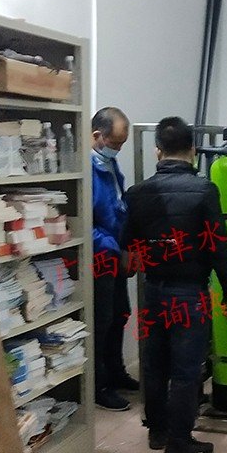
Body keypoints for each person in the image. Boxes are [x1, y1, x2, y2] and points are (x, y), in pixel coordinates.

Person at [122, 116, 227, 453]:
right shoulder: (204, 191)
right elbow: (218, 246)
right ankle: (179, 444)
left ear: (157, 151)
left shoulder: (137, 194)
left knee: (154, 365)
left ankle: (157, 432)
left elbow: (128, 246)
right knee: (186, 371)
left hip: (153, 292)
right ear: (193, 150)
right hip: (189, 293)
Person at [91, 106, 139, 411]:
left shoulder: (108, 164)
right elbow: (86, 222)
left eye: (122, 144)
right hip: (100, 254)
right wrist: (113, 248)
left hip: (116, 251)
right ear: (98, 135)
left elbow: (118, 208)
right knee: (102, 320)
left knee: (120, 313)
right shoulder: (87, 168)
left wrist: (128, 246)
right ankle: (99, 385)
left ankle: (117, 372)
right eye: (115, 143)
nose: (118, 149)